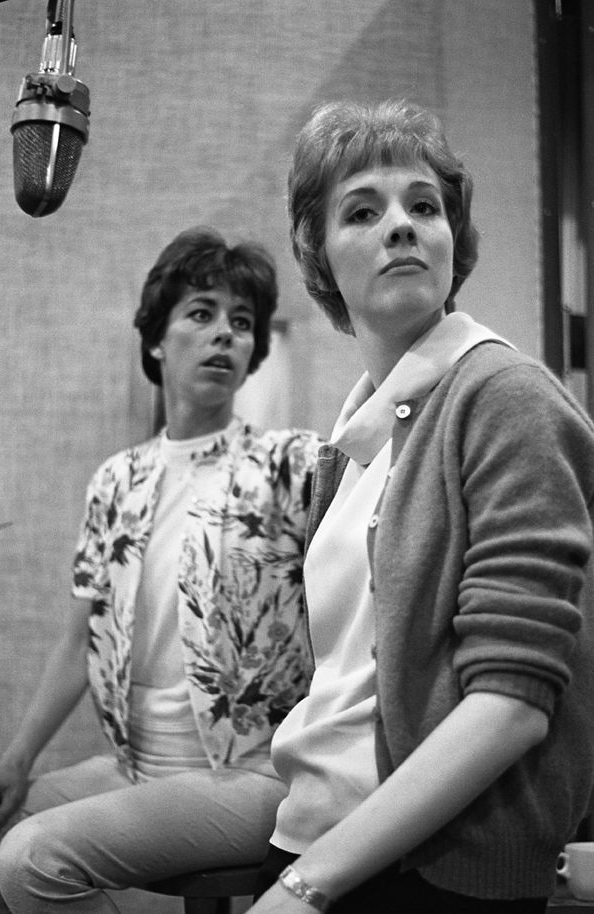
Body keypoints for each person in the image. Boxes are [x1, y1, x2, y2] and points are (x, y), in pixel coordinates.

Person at [247, 99, 594, 914]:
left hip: (427, 867)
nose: (400, 225)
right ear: (320, 258)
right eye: (362, 211)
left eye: (423, 206)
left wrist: (305, 885)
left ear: (451, 240)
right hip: (317, 828)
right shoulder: (364, 429)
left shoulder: (504, 396)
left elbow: (509, 707)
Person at [0, 226, 321, 914]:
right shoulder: (116, 479)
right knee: (4, 838)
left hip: (252, 775)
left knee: (32, 859)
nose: (224, 335)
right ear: (155, 340)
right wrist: (19, 760)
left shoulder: (288, 466)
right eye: (200, 314)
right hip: (133, 766)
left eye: (241, 322)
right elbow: (76, 640)